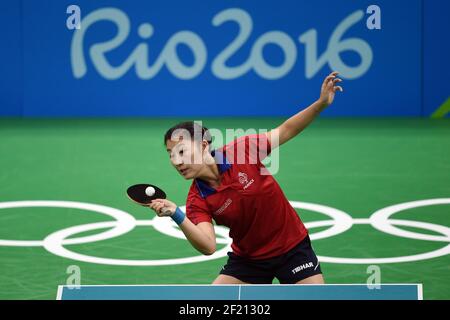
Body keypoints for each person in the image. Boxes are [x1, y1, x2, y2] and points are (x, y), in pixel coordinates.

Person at [149, 71, 343, 284]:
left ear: (203, 146)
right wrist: (176, 214)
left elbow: (286, 130)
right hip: (249, 260)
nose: (176, 161)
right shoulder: (197, 199)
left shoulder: (242, 150)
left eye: (182, 152)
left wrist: (321, 103)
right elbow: (208, 245)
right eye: (171, 155)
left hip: (292, 248)